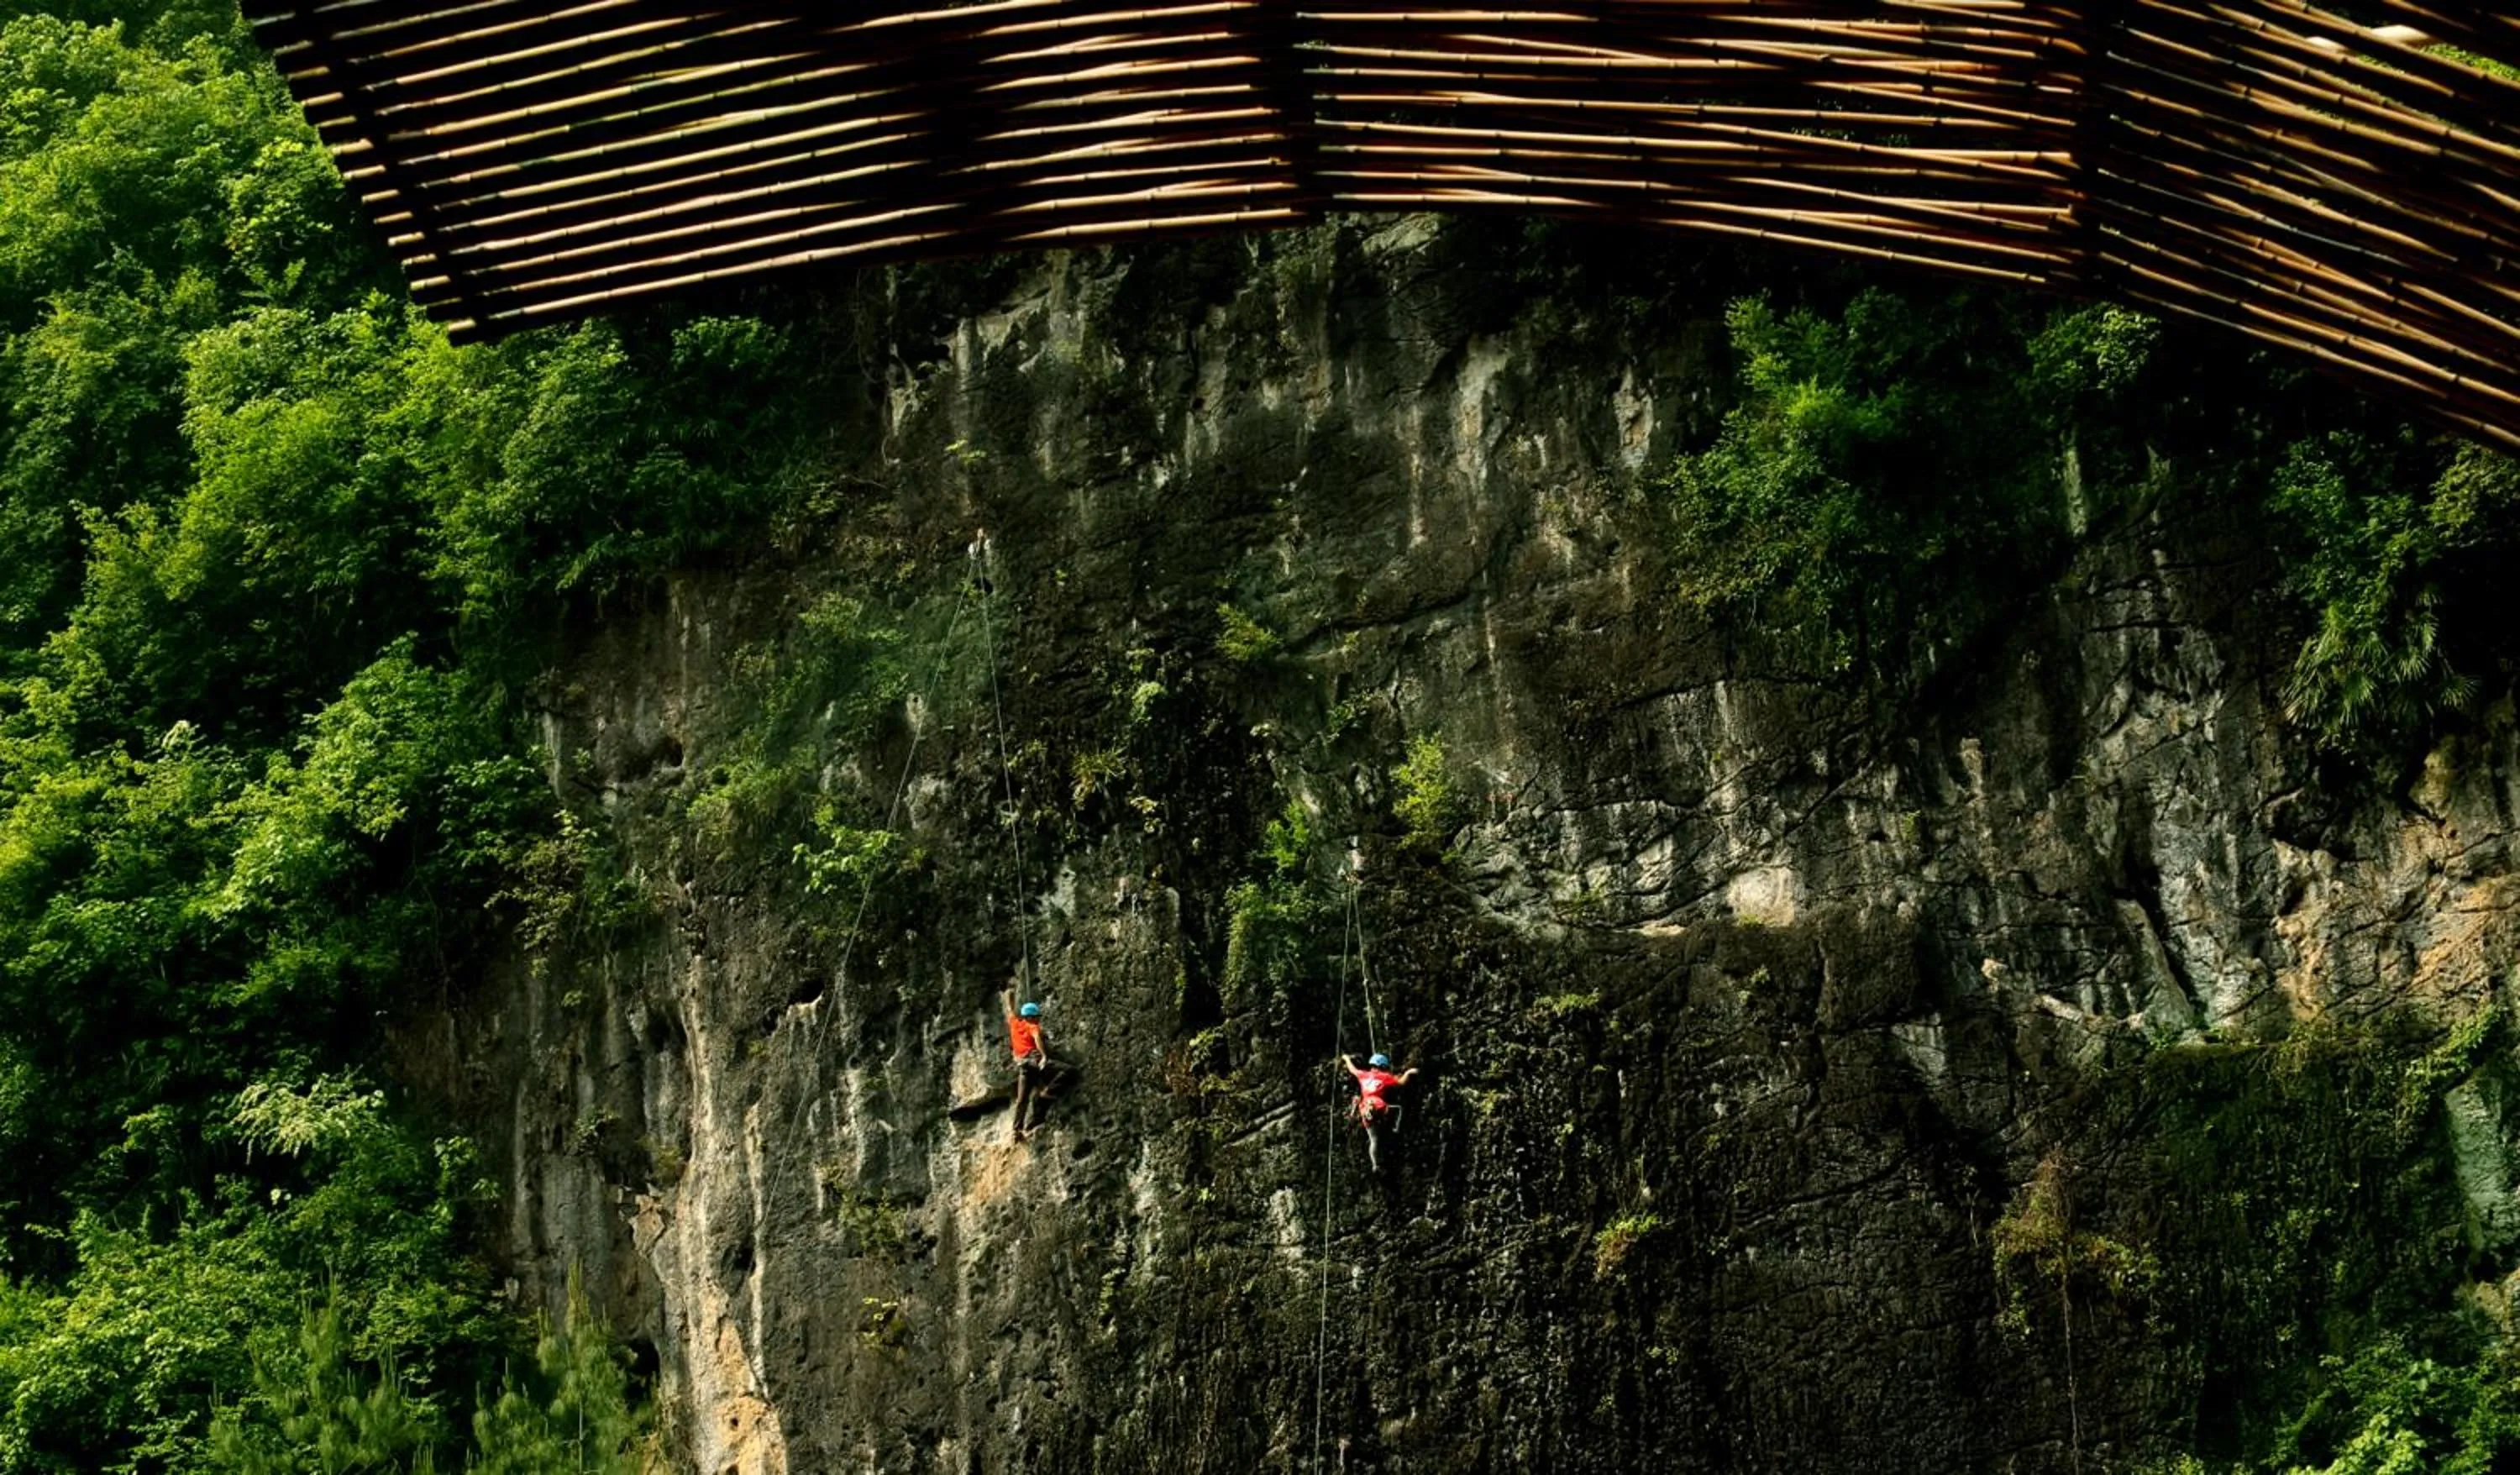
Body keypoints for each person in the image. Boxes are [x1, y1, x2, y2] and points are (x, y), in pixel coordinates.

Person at [1002, 987, 1066, 1141]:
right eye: (1036, 1017)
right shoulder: (1032, 1026)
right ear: (1030, 1017)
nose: (1038, 1020)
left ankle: (1016, 1130)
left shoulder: (1015, 1024)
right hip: (1033, 1060)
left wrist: (1010, 995)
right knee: (1067, 1072)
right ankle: (1047, 1092)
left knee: (1022, 1099)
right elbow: (1037, 1038)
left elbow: (1009, 1009)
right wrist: (1044, 1056)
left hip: (1023, 1066)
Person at [1339, 1051, 1417, 1169]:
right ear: (1383, 1066)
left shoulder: (1363, 1075)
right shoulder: (1385, 1077)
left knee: (1374, 1139)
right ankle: (1395, 1128)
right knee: (1398, 1109)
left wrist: (1346, 1058)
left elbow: (1352, 1069)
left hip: (1365, 1107)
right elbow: (1401, 1082)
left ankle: (1375, 1165)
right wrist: (1409, 1072)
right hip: (1379, 1105)